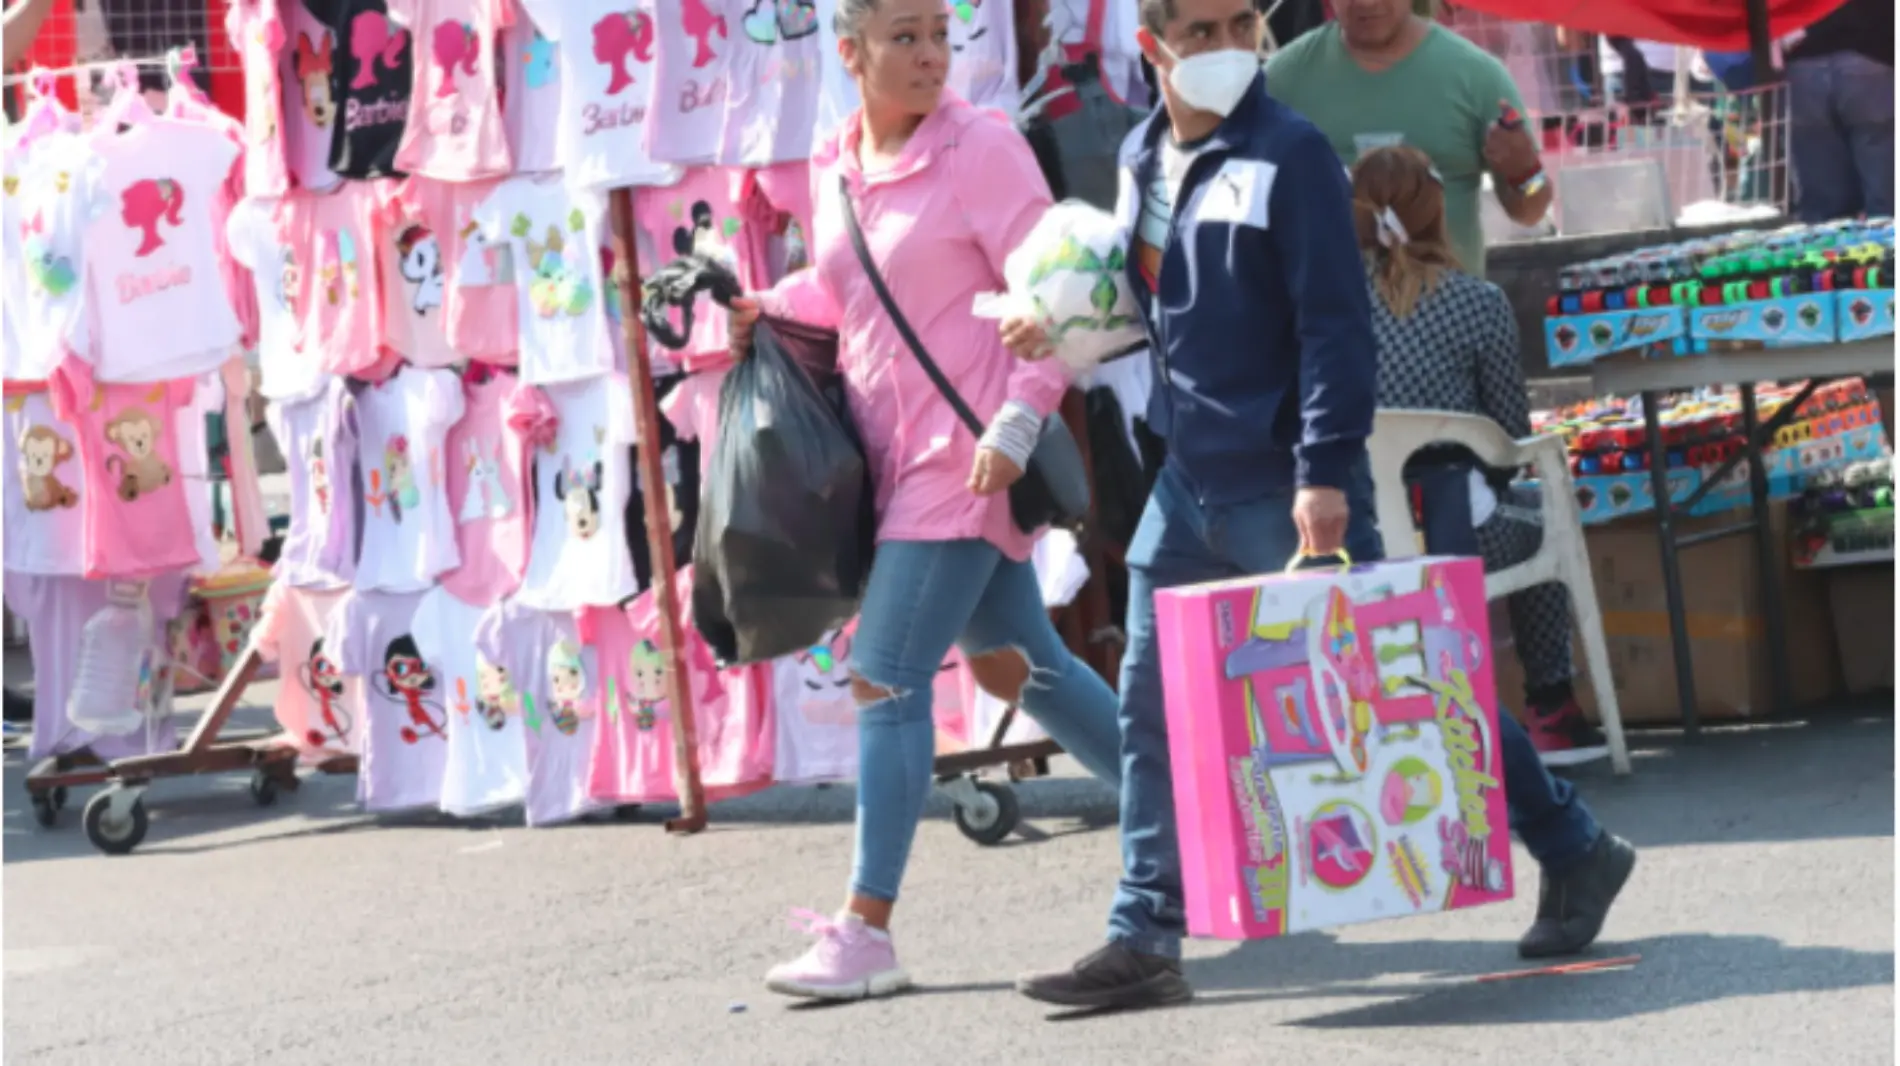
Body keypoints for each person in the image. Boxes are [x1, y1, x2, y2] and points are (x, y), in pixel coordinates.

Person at [726, 0, 1127, 1003]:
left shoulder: (983, 147)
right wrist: (762, 310)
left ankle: (865, 932)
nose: (930, 55)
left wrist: (1020, 423)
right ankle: (1193, 821)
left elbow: (1058, 297)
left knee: (886, 672)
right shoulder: (836, 164)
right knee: (1027, 665)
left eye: (939, 33)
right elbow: (848, 296)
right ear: (849, 50)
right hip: (890, 464)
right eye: (904, 36)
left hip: (968, 460)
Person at [1008, 0, 1386, 1011]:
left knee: (1386, 685)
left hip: (1282, 479)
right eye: (1201, 28)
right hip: (1187, 480)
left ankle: (1566, 837)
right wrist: (1061, 330)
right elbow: (1158, 312)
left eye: (1237, 23)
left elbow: (1334, 327)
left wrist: (1323, 471)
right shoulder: (1139, 157)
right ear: (1153, 46)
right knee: (1148, 706)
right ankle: (1144, 931)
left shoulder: (1290, 152)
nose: (1224, 47)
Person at [1264, 0, 1597, 760]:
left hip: (1337, 431)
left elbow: (1531, 201)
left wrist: (1525, 174)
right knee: (1525, 491)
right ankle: (1549, 698)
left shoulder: (1471, 75)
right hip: (1442, 425)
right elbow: (1510, 438)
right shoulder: (1285, 78)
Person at [1350, 140, 1634, 945]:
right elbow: (1509, 430)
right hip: (1453, 523)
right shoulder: (1476, 301)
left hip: (1367, 529)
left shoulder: (1331, 307)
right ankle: (1550, 698)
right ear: (1442, 209)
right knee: (1540, 512)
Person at [1263, 0, 1555, 279]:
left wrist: (1527, 174)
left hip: (1449, 320)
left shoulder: (1478, 78)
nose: (1366, 2)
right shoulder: (1281, 82)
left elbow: (1531, 211)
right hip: (1326, 322)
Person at [1783, 0, 1894, 222]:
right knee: (1886, 198)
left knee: (1824, 203)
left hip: (1803, 64)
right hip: (1872, 56)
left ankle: (1830, 250)